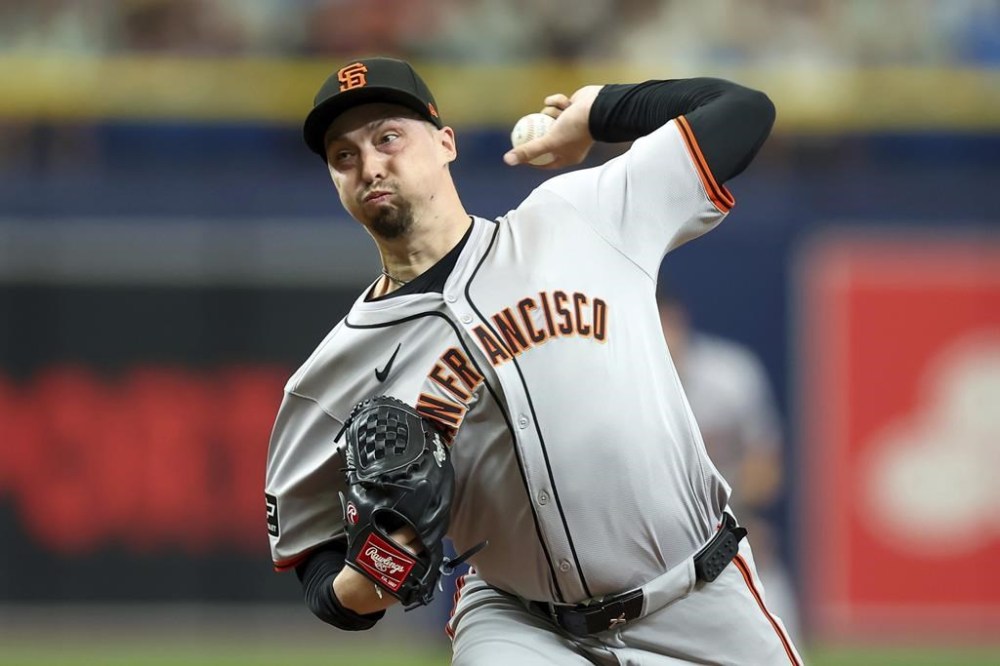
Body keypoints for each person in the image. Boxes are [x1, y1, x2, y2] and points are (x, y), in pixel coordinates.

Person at [264, 56, 801, 664]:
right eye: (344, 156)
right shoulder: (328, 377)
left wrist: (600, 109)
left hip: (701, 599)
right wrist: (368, 577)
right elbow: (313, 561)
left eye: (388, 137)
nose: (370, 164)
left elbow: (742, 111)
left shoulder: (581, 217)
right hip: (518, 623)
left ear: (445, 144)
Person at [658, 288, 802, 645]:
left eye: (666, 322)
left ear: (680, 321)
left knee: (779, 635)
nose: (662, 334)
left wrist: (735, 521)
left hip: (732, 533)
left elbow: (765, 463)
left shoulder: (729, 375)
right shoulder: (618, 384)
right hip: (657, 549)